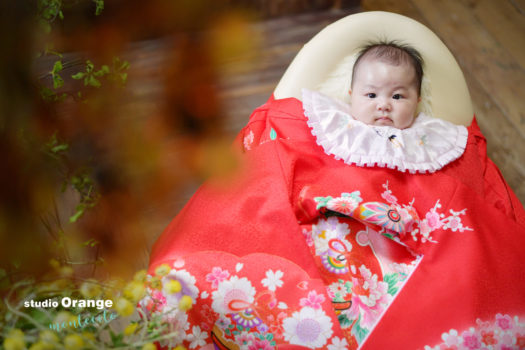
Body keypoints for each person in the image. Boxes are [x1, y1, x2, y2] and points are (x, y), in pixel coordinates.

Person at [146, 39, 525, 349]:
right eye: (372, 93)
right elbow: (291, 150)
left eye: (398, 96)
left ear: (418, 100)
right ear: (351, 94)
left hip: (402, 230)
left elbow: (460, 189)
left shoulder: (432, 141)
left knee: (438, 286)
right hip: (336, 216)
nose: (384, 105)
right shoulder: (331, 125)